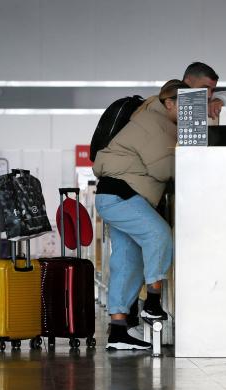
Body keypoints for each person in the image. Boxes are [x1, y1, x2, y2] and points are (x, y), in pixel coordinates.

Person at [93, 79, 189, 350]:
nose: (188, 114)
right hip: (121, 196)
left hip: (115, 196)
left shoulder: (155, 120)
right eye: (186, 106)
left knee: (127, 261)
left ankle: (118, 331)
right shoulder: (156, 124)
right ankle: (153, 304)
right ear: (169, 103)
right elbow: (165, 169)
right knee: (159, 235)